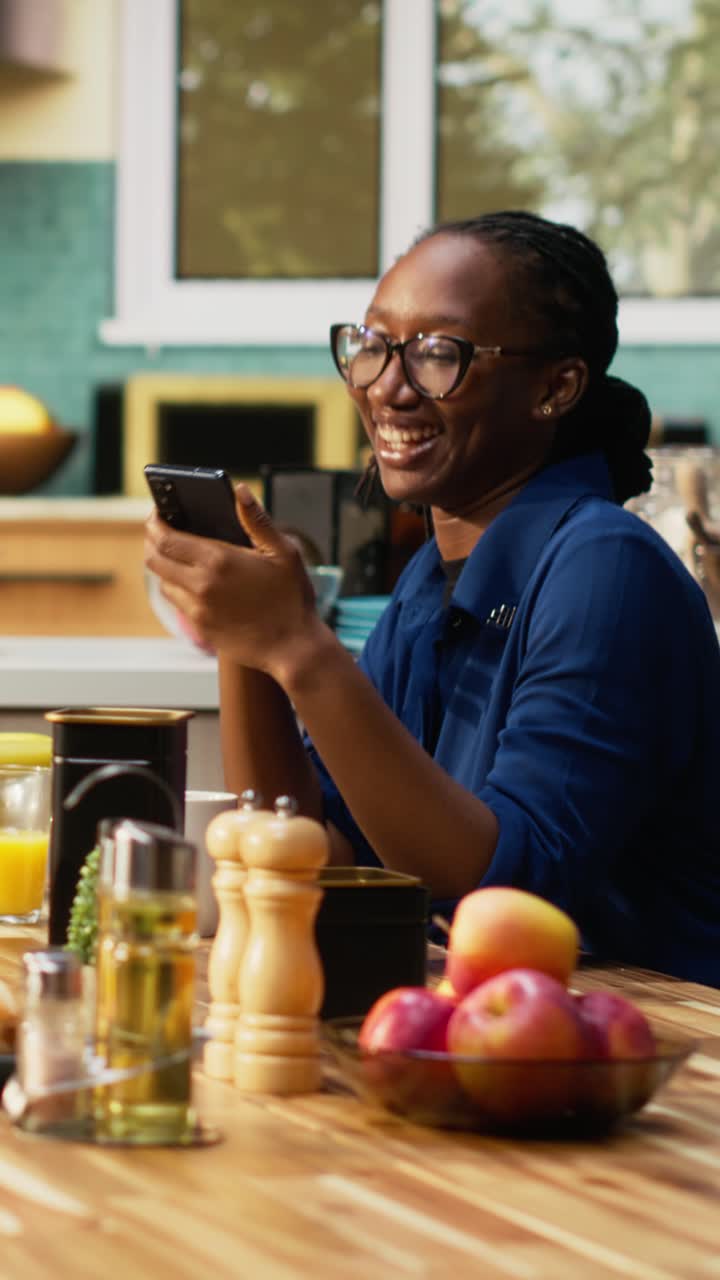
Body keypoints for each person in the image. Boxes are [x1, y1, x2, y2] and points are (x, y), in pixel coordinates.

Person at [145, 210, 720, 986]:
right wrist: (243, 643)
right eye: (373, 345)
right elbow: (307, 849)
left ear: (555, 387)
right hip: (489, 1017)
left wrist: (297, 643)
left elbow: (501, 892)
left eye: (438, 354)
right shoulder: (429, 580)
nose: (388, 387)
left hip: (662, 1033)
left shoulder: (607, 570)